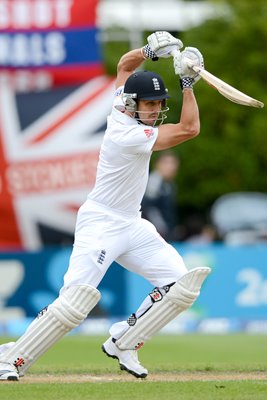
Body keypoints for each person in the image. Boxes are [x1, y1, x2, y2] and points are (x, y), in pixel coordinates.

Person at [0, 31, 210, 381]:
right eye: (151, 105)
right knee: (76, 301)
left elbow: (125, 65)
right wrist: (188, 82)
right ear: (133, 105)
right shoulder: (126, 135)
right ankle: (11, 357)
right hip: (101, 223)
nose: (156, 110)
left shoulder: (120, 100)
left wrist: (148, 50)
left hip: (131, 223)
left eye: (160, 103)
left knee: (181, 285)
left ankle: (125, 340)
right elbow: (190, 129)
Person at [141, 151, 180, 241]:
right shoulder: (153, 182)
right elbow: (149, 209)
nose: (170, 167)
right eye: (166, 163)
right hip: (154, 235)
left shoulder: (169, 185)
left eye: (173, 163)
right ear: (157, 164)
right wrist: (161, 230)